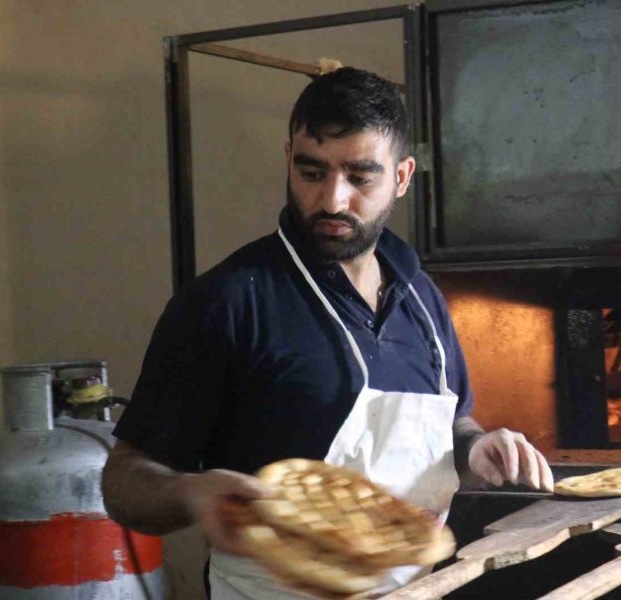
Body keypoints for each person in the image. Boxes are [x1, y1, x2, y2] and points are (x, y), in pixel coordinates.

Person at [102, 66, 554, 599]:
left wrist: (477, 448)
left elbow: (452, 424)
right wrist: (192, 492)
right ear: (288, 160)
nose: (333, 200)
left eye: (360, 177)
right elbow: (123, 482)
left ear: (402, 177)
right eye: (312, 172)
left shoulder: (422, 298)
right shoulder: (227, 302)